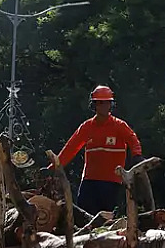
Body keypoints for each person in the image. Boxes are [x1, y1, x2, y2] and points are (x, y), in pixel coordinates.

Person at [53, 85, 143, 215]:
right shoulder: (87, 127)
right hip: (89, 180)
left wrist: (137, 155)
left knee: (105, 216)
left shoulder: (119, 126)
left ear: (111, 105)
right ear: (94, 105)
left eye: (106, 103)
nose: (103, 106)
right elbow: (71, 148)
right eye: (100, 103)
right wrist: (55, 166)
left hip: (111, 181)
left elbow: (133, 140)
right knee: (83, 215)